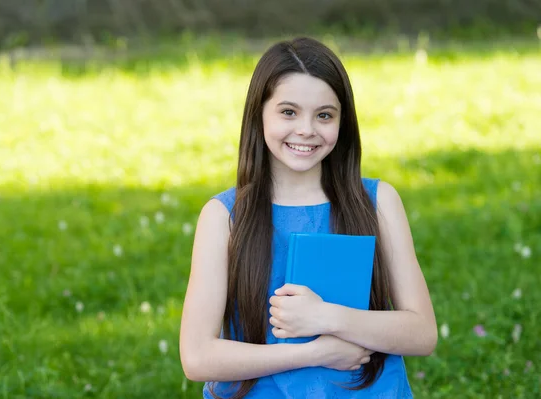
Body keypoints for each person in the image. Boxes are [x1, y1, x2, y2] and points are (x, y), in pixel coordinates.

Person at [179, 37, 437, 399]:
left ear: (342, 122)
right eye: (288, 112)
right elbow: (197, 357)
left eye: (324, 115)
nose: (306, 129)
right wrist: (313, 352)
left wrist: (327, 317)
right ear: (259, 114)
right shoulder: (224, 217)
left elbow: (422, 333)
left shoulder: (377, 202)